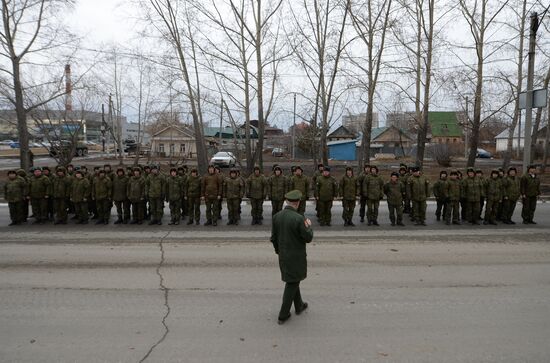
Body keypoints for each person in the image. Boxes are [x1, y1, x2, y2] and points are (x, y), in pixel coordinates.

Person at [271, 190, 313, 325]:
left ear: (287, 202)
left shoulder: (277, 216)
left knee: (293, 279)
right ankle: (283, 314)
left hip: (283, 255)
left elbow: (273, 238)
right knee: (292, 282)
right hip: (296, 256)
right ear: (298, 202)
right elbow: (308, 238)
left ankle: (299, 305)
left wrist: (279, 251)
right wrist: (309, 226)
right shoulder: (299, 218)